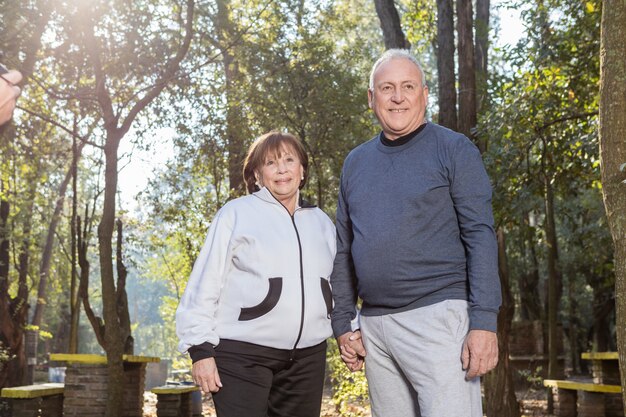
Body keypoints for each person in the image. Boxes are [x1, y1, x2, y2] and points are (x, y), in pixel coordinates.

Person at [331, 48, 501, 417]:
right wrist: (343, 322)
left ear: (424, 94)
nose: (397, 97)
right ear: (371, 98)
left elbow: (480, 236)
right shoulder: (355, 163)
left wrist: (485, 322)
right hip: (374, 326)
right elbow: (343, 248)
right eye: (387, 87)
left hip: (439, 317)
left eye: (408, 86)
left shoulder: (454, 150)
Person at [176, 131, 336, 417]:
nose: (282, 169)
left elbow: (337, 286)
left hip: (307, 359)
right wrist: (200, 351)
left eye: (289, 160)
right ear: (258, 175)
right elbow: (205, 283)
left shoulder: (322, 222)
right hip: (242, 357)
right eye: (271, 163)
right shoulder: (236, 214)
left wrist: (349, 327)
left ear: (302, 170)